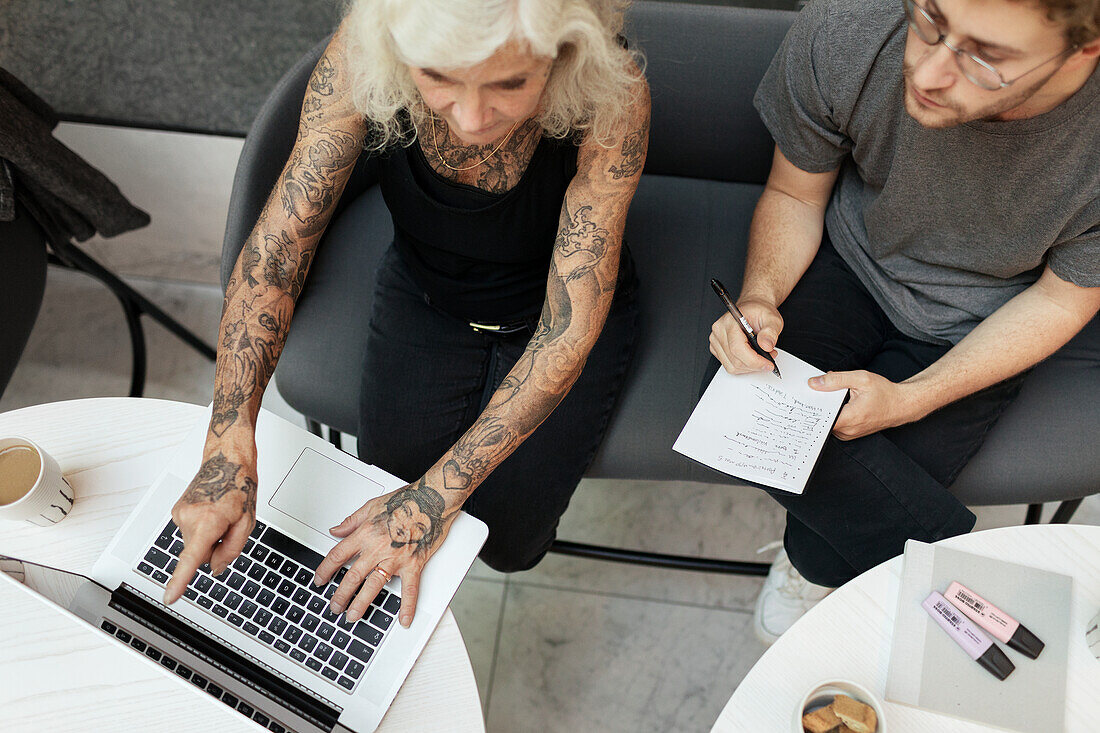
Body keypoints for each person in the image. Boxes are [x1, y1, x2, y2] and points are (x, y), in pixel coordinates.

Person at [163, 0, 650, 629]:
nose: (474, 118)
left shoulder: (612, 94)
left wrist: (436, 501)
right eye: (440, 78)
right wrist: (228, 441)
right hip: (428, 293)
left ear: (561, 59)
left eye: (510, 83)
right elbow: (281, 246)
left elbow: (570, 328)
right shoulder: (363, 54)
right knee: (380, 495)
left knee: (508, 536)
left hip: (557, 310)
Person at [709, 0, 1100, 644]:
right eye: (930, 17)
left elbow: (1062, 299)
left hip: (983, 322)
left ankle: (825, 562)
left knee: (825, 550)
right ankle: (996, 611)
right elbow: (794, 193)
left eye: (985, 56)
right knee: (733, 404)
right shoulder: (851, 24)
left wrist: (911, 400)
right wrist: (759, 298)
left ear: (1083, 50)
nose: (927, 70)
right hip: (849, 260)